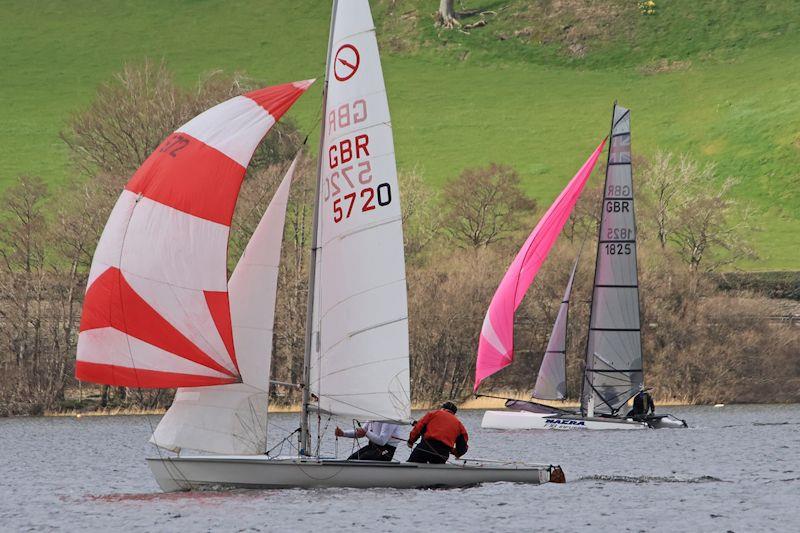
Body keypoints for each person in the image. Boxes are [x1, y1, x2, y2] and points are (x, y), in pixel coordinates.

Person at [335, 421, 405, 461]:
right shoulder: (372, 417)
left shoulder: (389, 420)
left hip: (386, 450)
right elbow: (361, 432)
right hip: (372, 447)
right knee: (351, 459)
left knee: (363, 458)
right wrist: (343, 433)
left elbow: (382, 441)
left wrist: (366, 433)